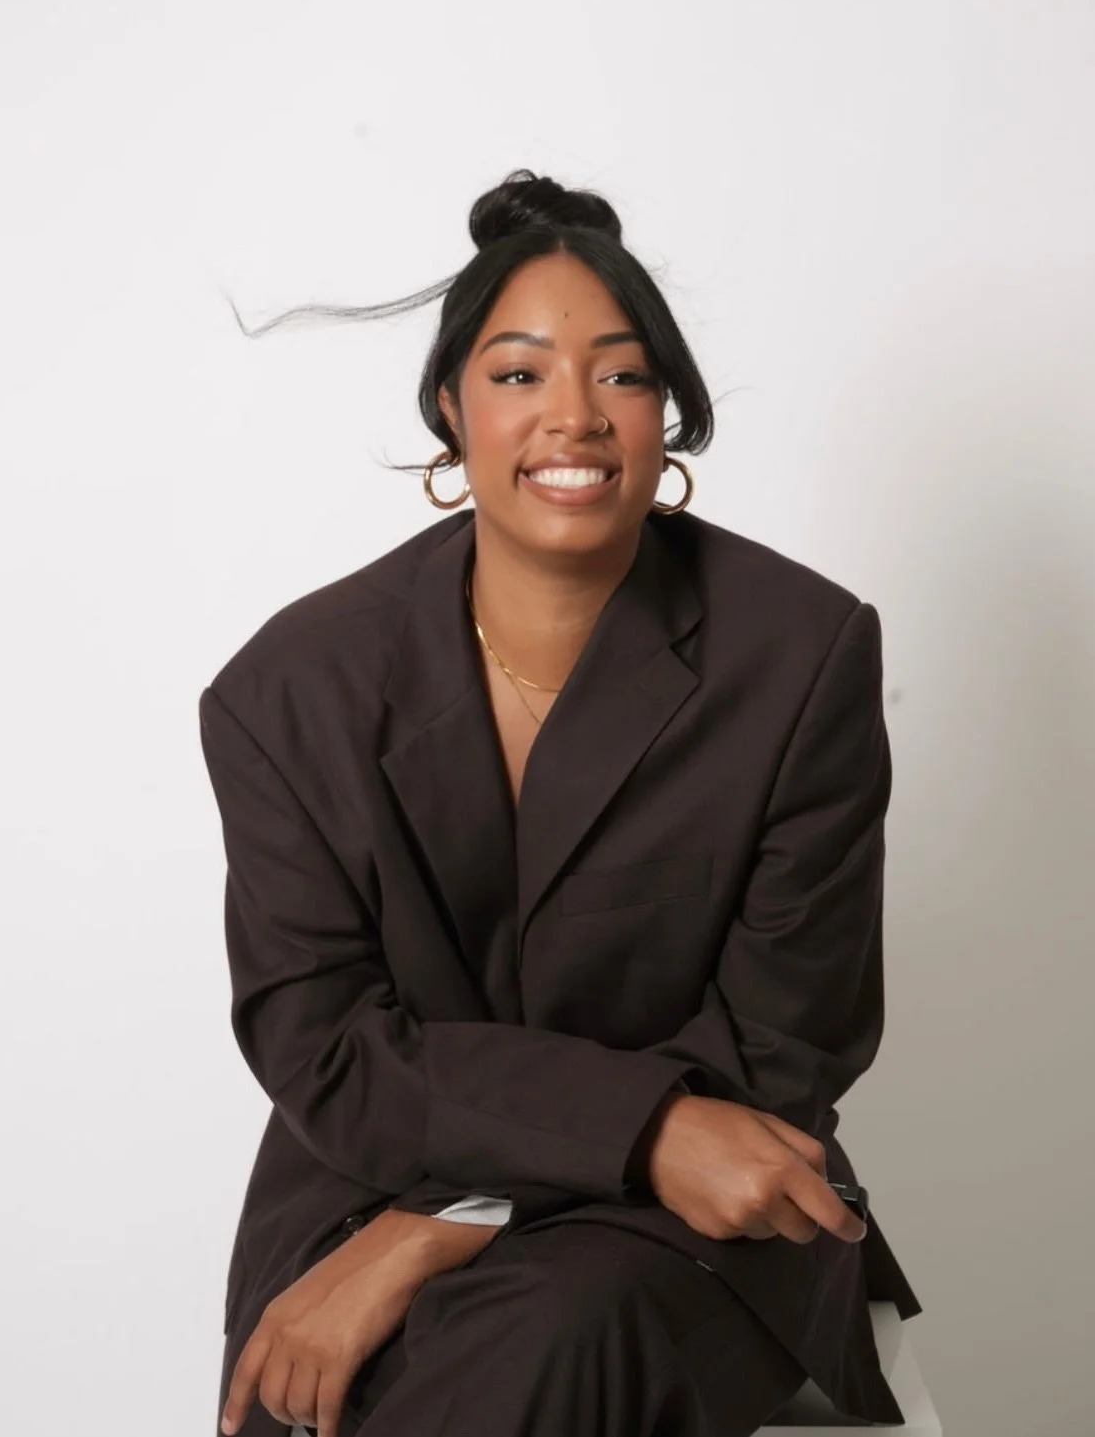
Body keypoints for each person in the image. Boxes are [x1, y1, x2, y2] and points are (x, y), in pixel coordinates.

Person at [198, 169, 922, 1437]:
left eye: (623, 375)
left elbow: (783, 1043)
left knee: (541, 1346)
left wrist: (454, 1228)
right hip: (365, 1190)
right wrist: (482, 1190)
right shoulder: (290, 688)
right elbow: (325, 1045)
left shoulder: (801, 651)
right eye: (521, 373)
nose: (573, 417)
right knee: (325, 1390)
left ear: (670, 416)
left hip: (691, 1218)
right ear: (450, 407)